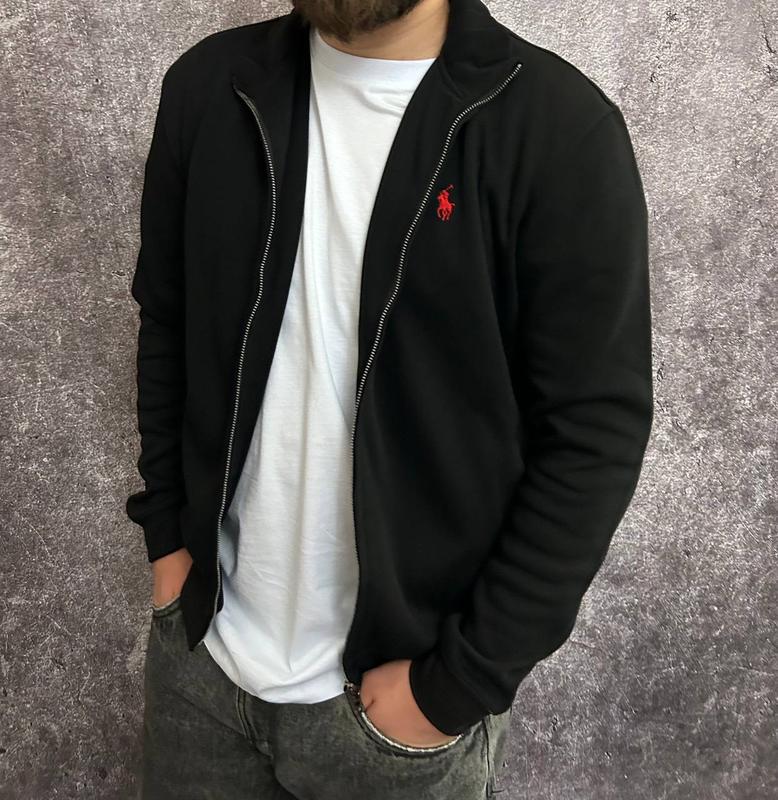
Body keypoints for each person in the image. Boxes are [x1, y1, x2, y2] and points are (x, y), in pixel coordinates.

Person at [126, 0, 654, 796]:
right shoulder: (210, 88)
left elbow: (593, 436)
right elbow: (168, 320)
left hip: (398, 716)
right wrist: (170, 544)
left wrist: (456, 686)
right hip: (201, 667)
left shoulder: (557, 130)